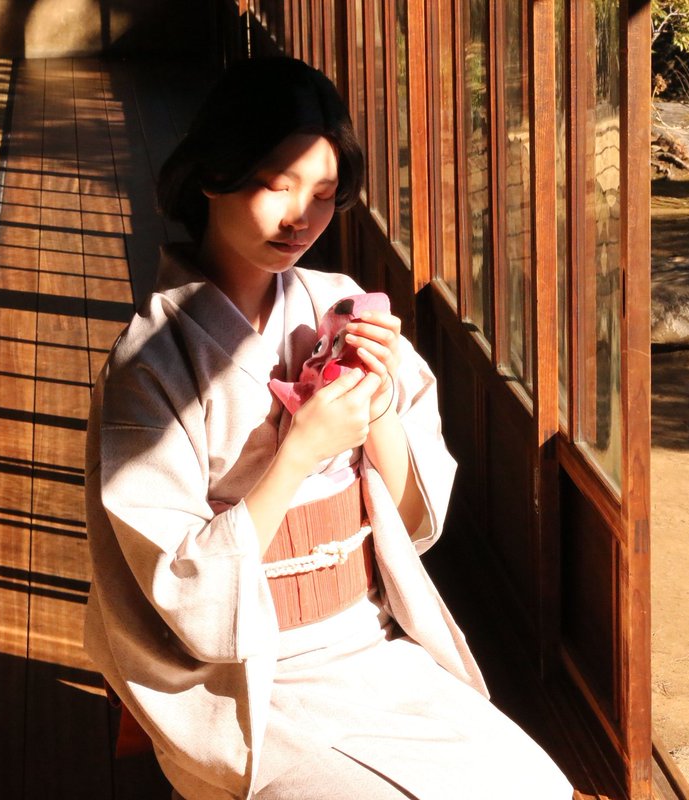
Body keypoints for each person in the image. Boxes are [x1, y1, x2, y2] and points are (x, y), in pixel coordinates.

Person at [82, 57, 574, 800]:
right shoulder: (150, 364)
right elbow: (185, 593)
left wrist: (379, 414)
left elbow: (412, 521)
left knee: (536, 788)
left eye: (322, 194)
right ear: (213, 173)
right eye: (276, 185)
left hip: (368, 640)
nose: (301, 219)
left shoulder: (339, 304)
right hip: (245, 681)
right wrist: (300, 454)